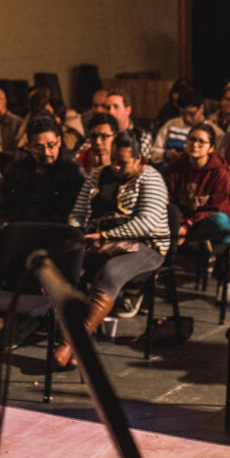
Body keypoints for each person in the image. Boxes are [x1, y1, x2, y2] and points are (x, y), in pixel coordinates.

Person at [58, 131, 170, 366]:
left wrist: (106, 235)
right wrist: (78, 233)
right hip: (102, 240)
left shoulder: (151, 178)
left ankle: (73, 343)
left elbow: (147, 223)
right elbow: (78, 212)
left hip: (146, 245)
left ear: (140, 159)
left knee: (111, 272)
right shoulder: (98, 175)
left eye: (124, 162)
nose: (117, 167)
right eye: (114, 160)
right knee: (66, 264)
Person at [0, 115, 84, 225]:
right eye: (39, 147)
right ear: (28, 146)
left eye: (51, 145)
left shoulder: (72, 172)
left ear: (58, 141)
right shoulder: (16, 171)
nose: (46, 153)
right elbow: (3, 208)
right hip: (19, 231)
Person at [164, 123, 230, 243]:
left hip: (207, 221)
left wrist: (188, 225)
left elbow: (215, 208)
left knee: (221, 221)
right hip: (182, 221)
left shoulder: (219, 172)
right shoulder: (174, 168)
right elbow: (169, 200)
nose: (195, 145)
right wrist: (181, 223)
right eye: (192, 139)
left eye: (201, 142)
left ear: (211, 148)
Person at [150, 89, 209, 165]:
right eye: (183, 113)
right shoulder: (171, 124)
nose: (187, 118)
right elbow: (154, 153)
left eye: (191, 113)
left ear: (201, 108)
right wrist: (167, 154)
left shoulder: (212, 130)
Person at [103, 89, 151, 158]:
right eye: (108, 108)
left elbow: (138, 165)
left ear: (128, 110)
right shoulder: (99, 136)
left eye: (116, 107)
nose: (111, 112)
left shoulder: (142, 137)